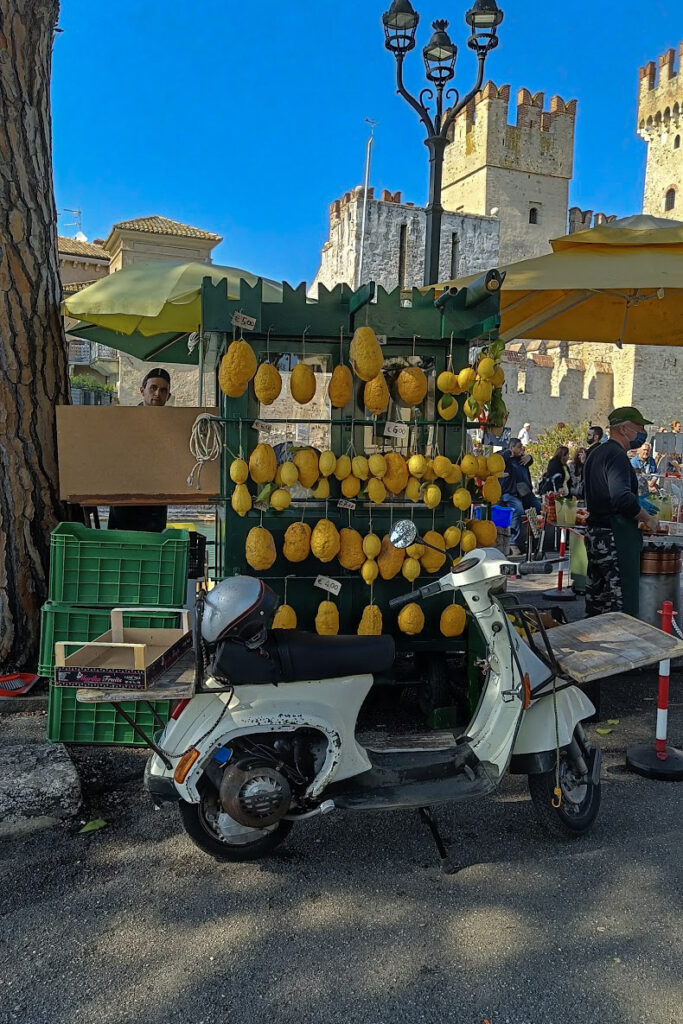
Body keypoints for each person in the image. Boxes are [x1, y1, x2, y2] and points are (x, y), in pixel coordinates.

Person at [583, 406, 659, 620]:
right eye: (640, 427)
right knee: (620, 606)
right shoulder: (616, 455)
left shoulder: (596, 452)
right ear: (625, 429)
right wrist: (648, 518)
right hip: (614, 536)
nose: (643, 432)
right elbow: (621, 498)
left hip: (595, 533)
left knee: (597, 603)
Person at [107, 368, 172, 532]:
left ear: (168, 396)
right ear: (142, 391)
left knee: (153, 549)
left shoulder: (172, 427)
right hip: (124, 499)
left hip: (155, 502)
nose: (157, 393)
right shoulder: (124, 422)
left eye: (163, 390)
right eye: (153, 388)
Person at [500, 438, 542, 555]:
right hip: (510, 493)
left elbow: (530, 460)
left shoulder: (522, 459)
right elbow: (501, 457)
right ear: (512, 447)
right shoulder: (505, 458)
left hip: (526, 493)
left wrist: (529, 457)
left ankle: (536, 543)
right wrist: (510, 453)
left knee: (538, 509)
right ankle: (514, 543)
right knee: (518, 510)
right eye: (518, 447)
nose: (521, 448)